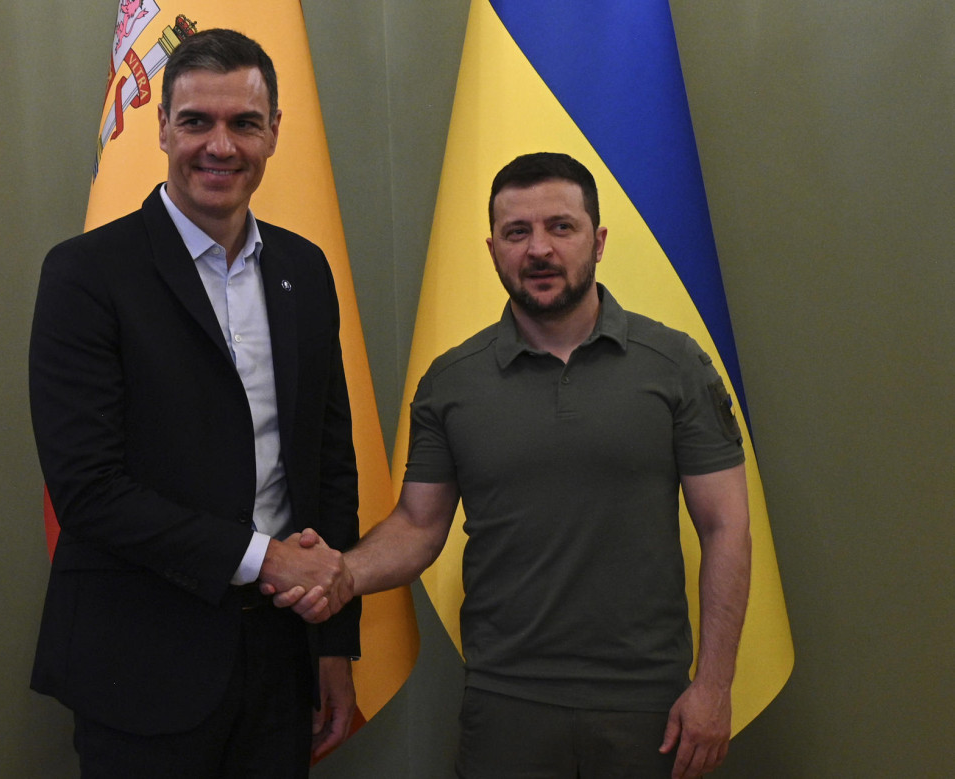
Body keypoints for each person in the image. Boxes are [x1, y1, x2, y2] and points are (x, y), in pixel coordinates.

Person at [273, 152, 751, 778]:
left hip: (648, 705)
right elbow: (419, 526)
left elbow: (726, 527)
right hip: (505, 703)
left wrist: (714, 688)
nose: (539, 249)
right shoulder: (450, 383)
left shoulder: (675, 365)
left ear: (598, 241)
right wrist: (343, 573)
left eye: (561, 227)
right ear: (494, 248)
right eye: (517, 233)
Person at [28, 28, 359, 777]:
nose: (220, 145)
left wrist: (334, 641)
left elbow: (327, 464)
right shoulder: (86, 275)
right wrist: (263, 558)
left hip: (281, 662)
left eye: (244, 123)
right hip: (140, 664)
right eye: (196, 122)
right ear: (162, 129)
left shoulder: (305, 272)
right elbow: (87, 489)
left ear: (275, 132)